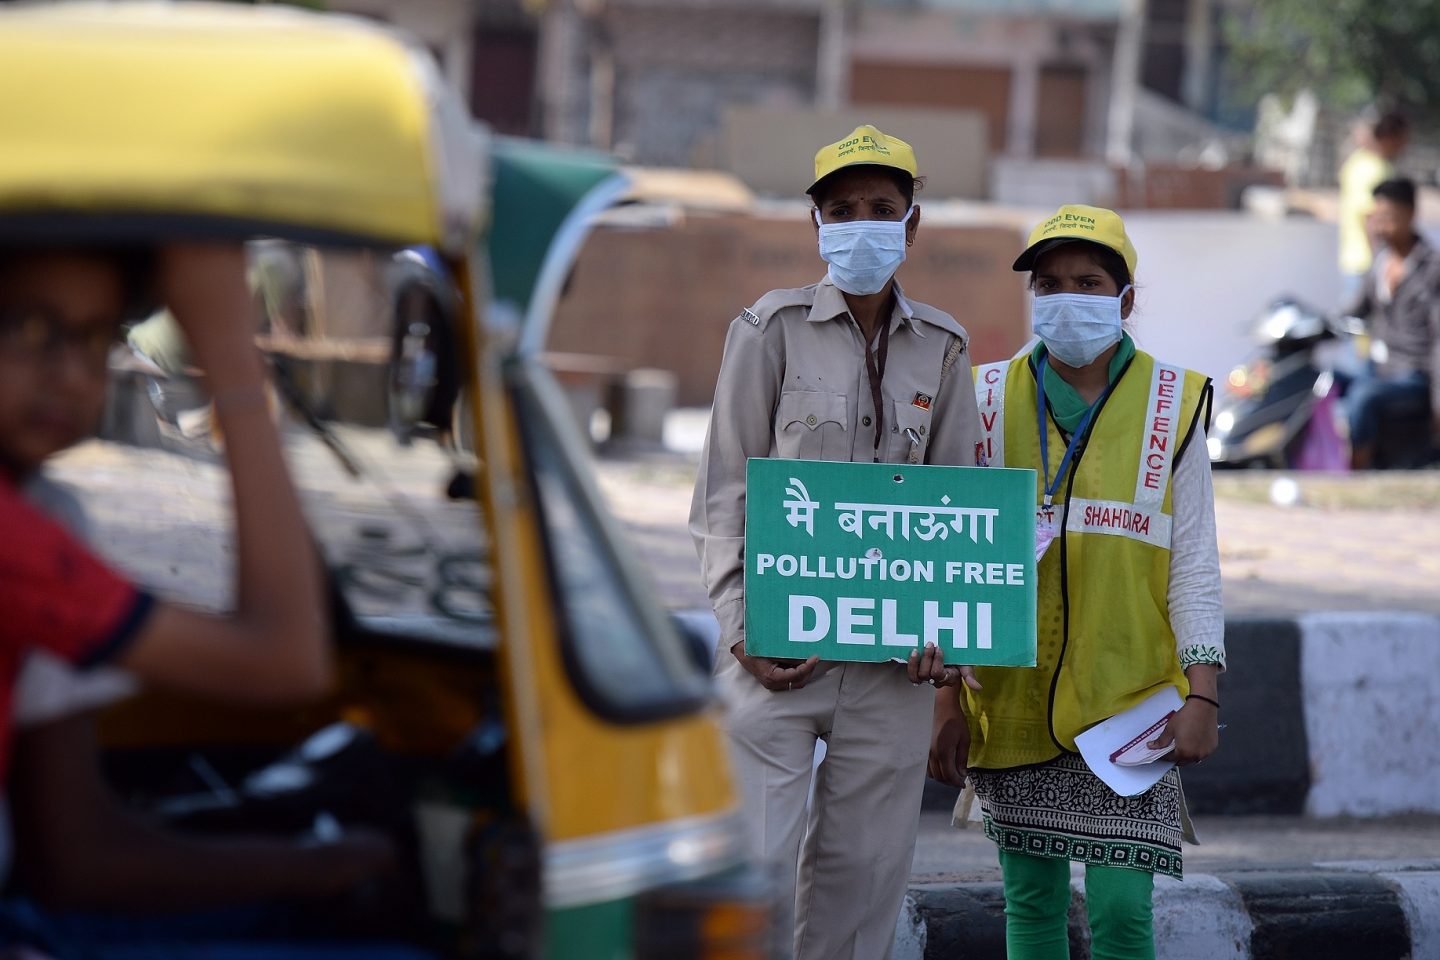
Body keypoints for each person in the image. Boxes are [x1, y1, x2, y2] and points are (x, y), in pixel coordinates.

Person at [690, 124, 984, 959]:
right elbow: (723, 495)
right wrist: (741, 630)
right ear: (815, 224)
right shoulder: (767, 330)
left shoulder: (947, 348)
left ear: (912, 225)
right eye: (844, 209)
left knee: (863, 888)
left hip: (892, 669)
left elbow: (957, 515)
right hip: (775, 655)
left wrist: (949, 647)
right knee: (751, 872)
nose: (864, 224)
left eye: (883, 208)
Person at [929, 205, 1224, 960]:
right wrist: (945, 700)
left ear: (1126, 301)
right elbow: (953, 562)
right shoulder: (984, 398)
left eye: (1089, 282)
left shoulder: (1174, 402)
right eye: (1050, 283)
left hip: (1131, 712)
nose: (1067, 298)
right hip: (1011, 701)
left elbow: (1192, 563)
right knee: (1030, 906)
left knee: (1125, 914)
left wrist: (1203, 694)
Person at [0, 242, 330, 795]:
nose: (74, 376)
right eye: (31, 329)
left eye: (96, 338)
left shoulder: (37, 508)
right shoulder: (15, 539)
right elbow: (287, 659)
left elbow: (74, 851)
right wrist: (229, 352)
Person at [1338, 178, 1440, 468]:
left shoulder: (1432, 268)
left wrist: (1438, 403)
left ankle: (1357, 474)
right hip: (1379, 369)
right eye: (1376, 217)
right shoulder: (1380, 261)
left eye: (1387, 217)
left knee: (1363, 397)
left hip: (1413, 373)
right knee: (1325, 381)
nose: (1380, 225)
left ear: (1409, 213)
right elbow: (1352, 311)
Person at [1337, 112, 1410, 301]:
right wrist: (1383, 262)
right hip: (1368, 262)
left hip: (1352, 257)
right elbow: (1371, 218)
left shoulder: (1356, 161)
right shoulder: (1377, 170)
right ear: (1391, 137)